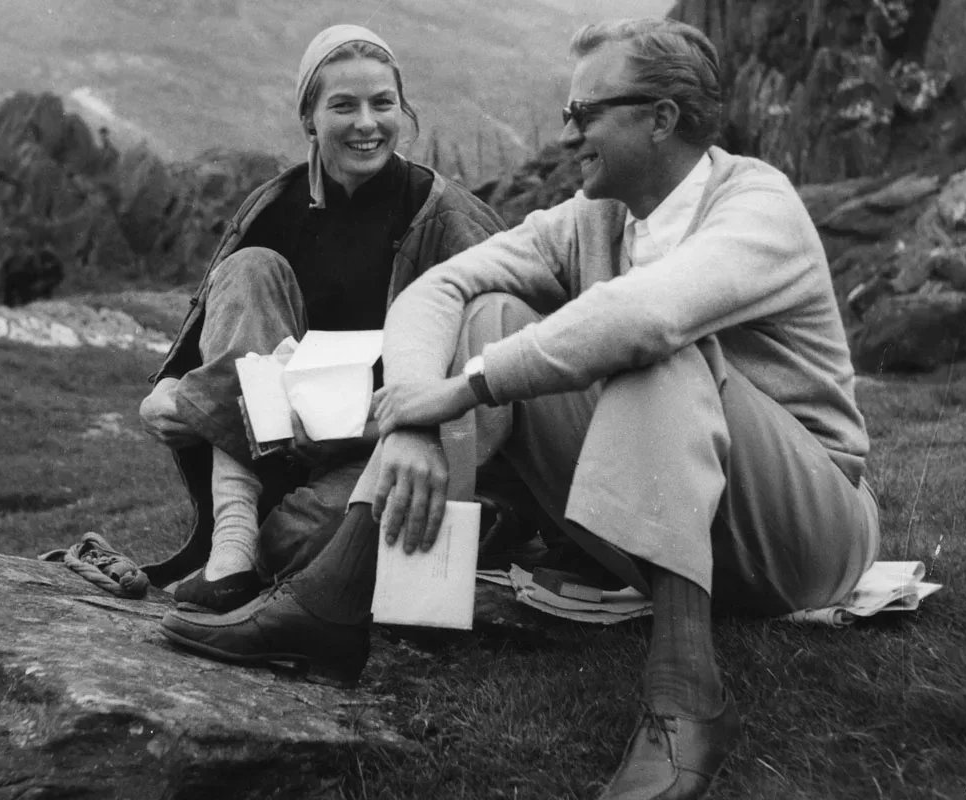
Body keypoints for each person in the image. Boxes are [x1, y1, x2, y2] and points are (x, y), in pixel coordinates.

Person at [159, 17, 881, 800]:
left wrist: (469, 387)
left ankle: (685, 693)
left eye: (584, 113)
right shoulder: (594, 217)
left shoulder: (756, 204)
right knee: (490, 312)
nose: (569, 134)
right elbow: (445, 287)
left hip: (807, 531)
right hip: (681, 529)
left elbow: (650, 316)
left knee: (655, 346)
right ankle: (333, 601)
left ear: (661, 118)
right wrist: (410, 417)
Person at [138, 24, 506, 612]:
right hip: (275, 448)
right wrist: (162, 391)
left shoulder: (445, 218)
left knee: (295, 541)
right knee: (251, 268)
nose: (367, 123)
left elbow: (495, 364)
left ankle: (253, 546)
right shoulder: (274, 204)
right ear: (309, 119)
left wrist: (362, 431)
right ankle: (231, 545)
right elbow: (213, 318)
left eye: (383, 103)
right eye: (343, 105)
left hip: (391, 444)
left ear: (402, 110)